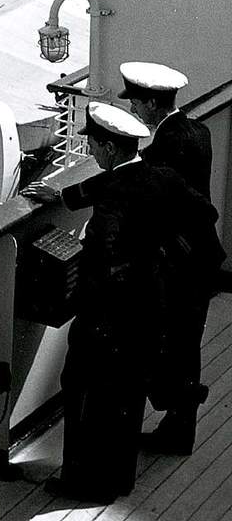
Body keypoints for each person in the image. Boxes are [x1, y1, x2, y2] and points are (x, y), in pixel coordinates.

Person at [24, 103, 172, 502]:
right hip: (146, 312)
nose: (89, 149)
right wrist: (65, 194)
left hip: (109, 320)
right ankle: (118, 479)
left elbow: (104, 262)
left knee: (85, 394)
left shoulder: (112, 205)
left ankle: (84, 482)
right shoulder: (154, 177)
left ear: (108, 148)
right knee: (125, 400)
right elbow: (118, 186)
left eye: (92, 143)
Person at [117, 61, 221, 455]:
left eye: (135, 103)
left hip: (182, 264)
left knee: (174, 345)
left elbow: (130, 179)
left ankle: (177, 428)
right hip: (200, 256)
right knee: (185, 345)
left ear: (151, 104)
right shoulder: (197, 131)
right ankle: (179, 428)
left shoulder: (167, 148)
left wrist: (65, 196)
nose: (132, 111)